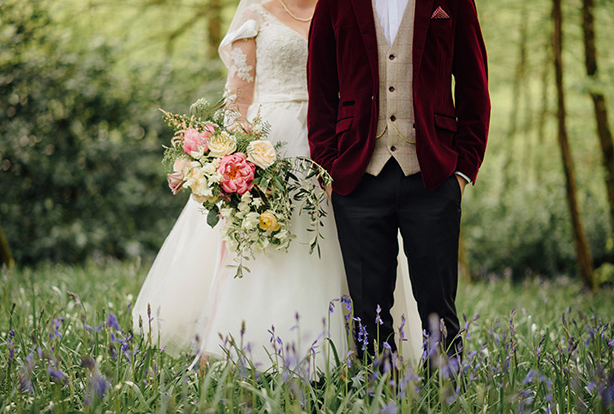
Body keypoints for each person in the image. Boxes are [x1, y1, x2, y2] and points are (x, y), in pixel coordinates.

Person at [132, 0, 423, 371]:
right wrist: (236, 162)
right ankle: (253, 350)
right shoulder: (256, 11)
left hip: (341, 140)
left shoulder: (348, 7)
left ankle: (357, 354)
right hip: (270, 144)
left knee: (355, 245)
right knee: (267, 247)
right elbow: (236, 101)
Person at [307, 0, 490, 359]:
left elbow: (474, 87)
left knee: (439, 306)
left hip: (433, 175)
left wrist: (463, 171)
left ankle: (446, 391)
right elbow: (321, 89)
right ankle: (379, 396)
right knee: (367, 308)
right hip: (358, 176)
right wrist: (329, 169)